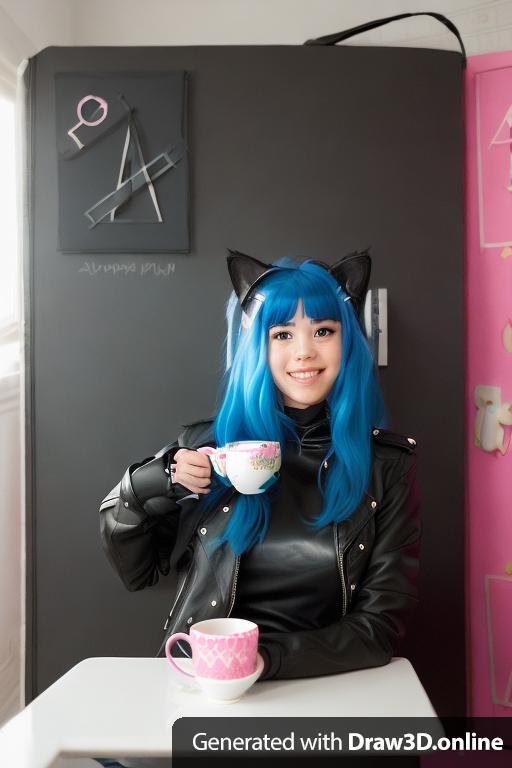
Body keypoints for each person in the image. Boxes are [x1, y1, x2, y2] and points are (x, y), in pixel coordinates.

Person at [97, 250, 420, 766]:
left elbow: (378, 629)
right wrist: (153, 480)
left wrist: (261, 661)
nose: (304, 353)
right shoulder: (207, 447)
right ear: (257, 346)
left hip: (324, 696)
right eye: (282, 335)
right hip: (206, 700)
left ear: (347, 343)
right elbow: (137, 570)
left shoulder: (386, 467)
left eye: (323, 331)